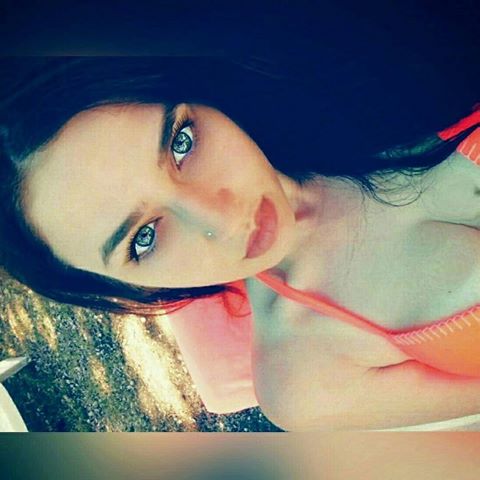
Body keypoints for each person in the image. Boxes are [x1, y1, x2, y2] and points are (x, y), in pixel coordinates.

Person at [0, 19, 479, 431]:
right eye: (143, 238)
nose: (221, 219)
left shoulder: (362, 54)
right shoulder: (308, 377)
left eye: (181, 143)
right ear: (120, 286)